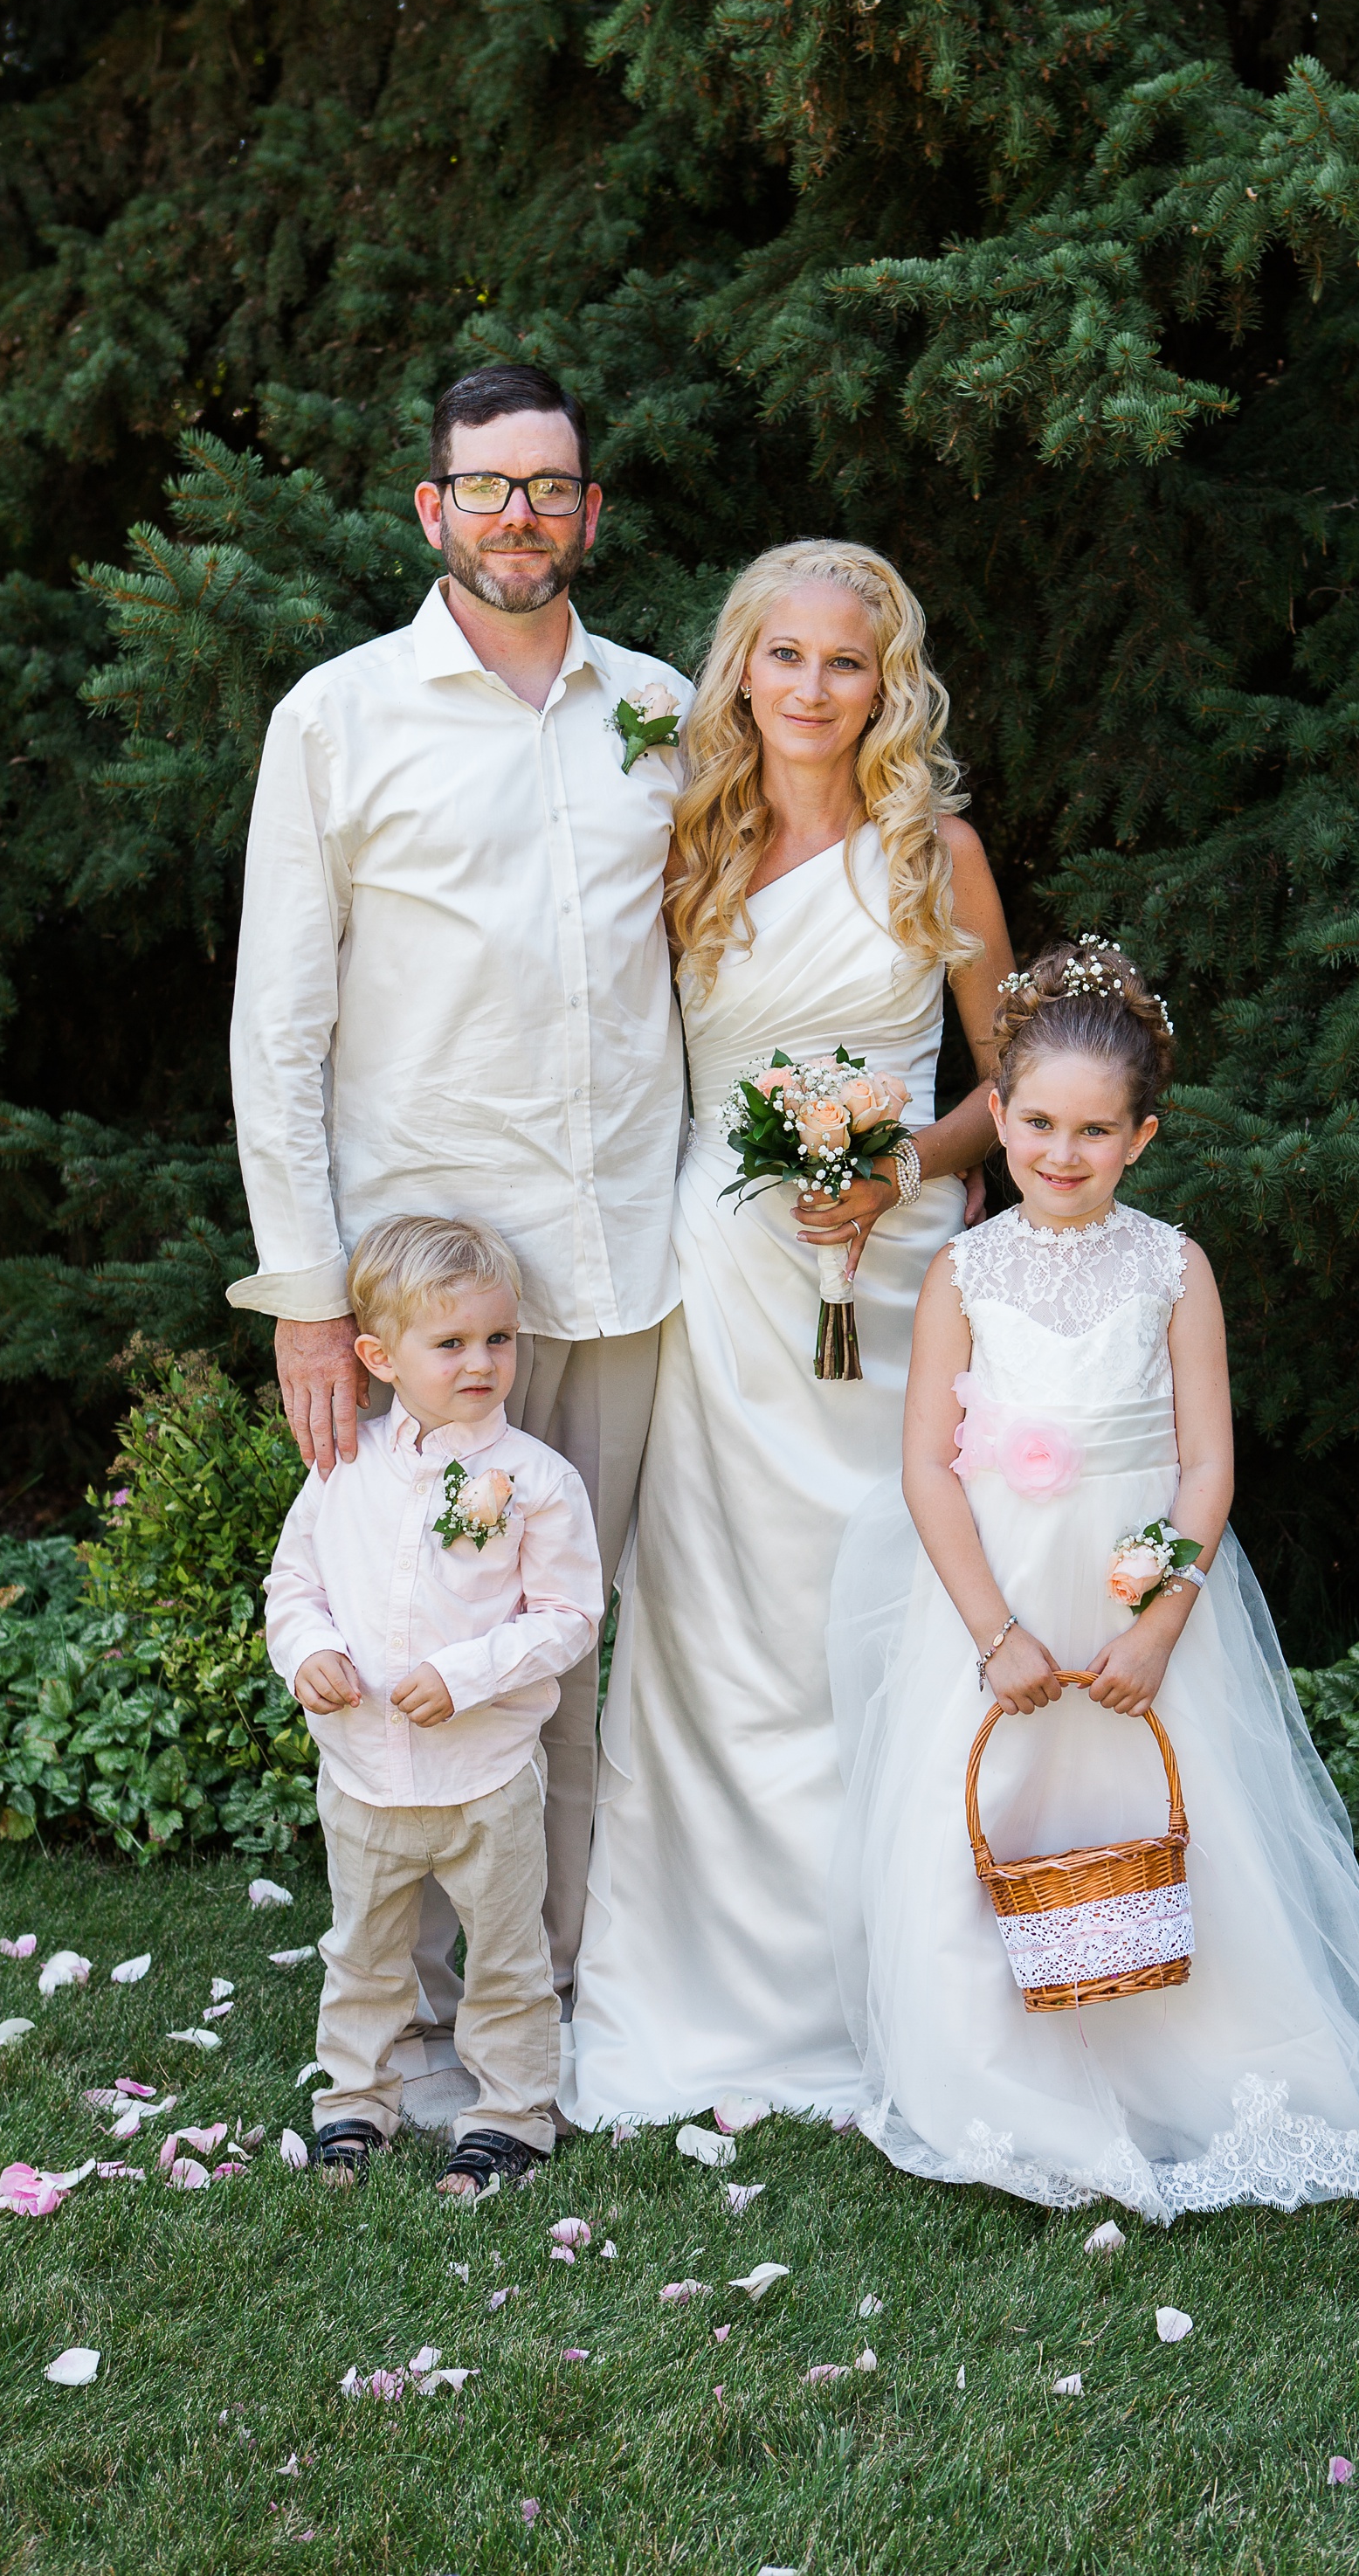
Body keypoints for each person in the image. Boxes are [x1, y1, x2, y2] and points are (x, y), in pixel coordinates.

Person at [828, 940, 1359, 2217]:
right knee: (985, 1821)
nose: (1061, 1153)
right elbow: (930, 1471)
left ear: (1142, 1138)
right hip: (995, 1597)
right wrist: (991, 1631)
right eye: (1038, 1123)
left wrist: (1164, 1624)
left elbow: (1207, 1468)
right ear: (995, 1117)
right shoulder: (963, 1272)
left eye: (1094, 1132)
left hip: (1130, 1592)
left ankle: (1194, 2062)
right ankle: (1005, 2079)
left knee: (1166, 1818)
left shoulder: (1174, 1268)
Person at [229, 364, 689, 2046]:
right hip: (419, 1305)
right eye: (486, 486)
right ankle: (405, 2007)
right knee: (408, 1636)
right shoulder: (337, 718)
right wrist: (304, 1294)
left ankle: (555, 1991)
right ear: (432, 509)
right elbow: (277, 1024)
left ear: (590, 510)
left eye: (549, 487)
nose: (519, 515)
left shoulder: (665, 708)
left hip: (631, 1269)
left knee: (572, 1652)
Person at [567, 539, 1015, 2128]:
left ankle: (918, 1979)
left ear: (886, 684)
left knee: (884, 1623)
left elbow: (1012, 1087)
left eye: (849, 663)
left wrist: (901, 1162)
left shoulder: (932, 854)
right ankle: (706, 1993)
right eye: (786, 657)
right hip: (727, 1287)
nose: (814, 690)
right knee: (717, 1634)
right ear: (739, 667)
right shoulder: (682, 843)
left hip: (895, 1289)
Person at [265, 1215, 602, 2195]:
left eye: (498, 1339)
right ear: (378, 1356)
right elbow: (294, 1589)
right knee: (364, 1953)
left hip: (483, 1774)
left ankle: (508, 2117)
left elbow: (568, 1615)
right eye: (449, 1343)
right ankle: (354, 2102)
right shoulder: (341, 1471)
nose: (481, 1362)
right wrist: (312, 1652)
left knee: (506, 1956)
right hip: (364, 1771)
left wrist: (468, 1674)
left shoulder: (536, 1481)